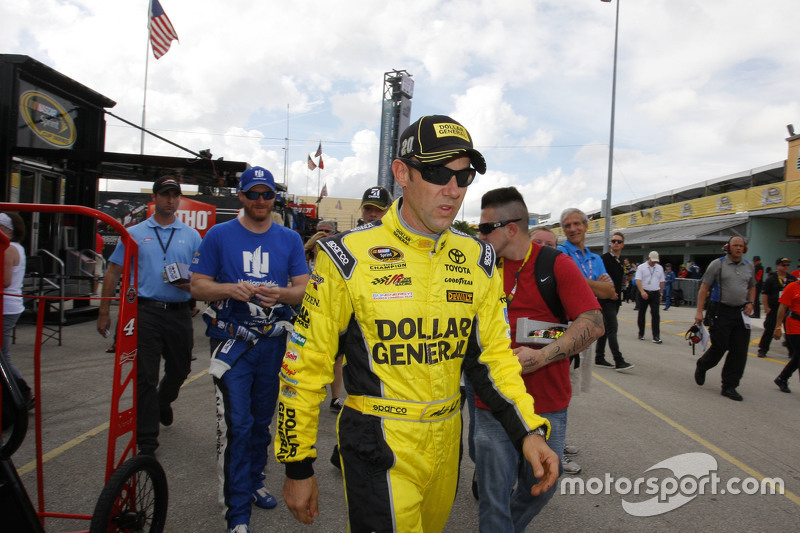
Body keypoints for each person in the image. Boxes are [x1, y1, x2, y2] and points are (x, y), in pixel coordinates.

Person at [275, 115, 558, 531]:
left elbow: (493, 360)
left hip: (446, 440)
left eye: (463, 177)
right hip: (377, 438)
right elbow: (306, 363)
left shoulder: (479, 260)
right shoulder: (345, 256)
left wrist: (528, 431)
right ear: (402, 173)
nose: (453, 189)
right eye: (438, 172)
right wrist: (297, 464)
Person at [475, 187, 603, 532]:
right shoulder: (478, 269)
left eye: (486, 228)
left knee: (541, 486)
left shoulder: (554, 264)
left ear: (510, 228)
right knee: (493, 494)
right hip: (493, 402)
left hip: (546, 403)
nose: (480, 235)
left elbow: (593, 322)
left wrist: (541, 356)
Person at [189, 166, 309, 533]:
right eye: (253, 194)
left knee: (261, 422)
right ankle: (237, 512)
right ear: (241, 196)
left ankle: (255, 479)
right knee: (237, 425)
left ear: (275, 198)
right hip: (232, 344)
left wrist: (281, 294)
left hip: (273, 344)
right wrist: (229, 289)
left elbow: (304, 290)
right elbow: (197, 286)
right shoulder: (218, 235)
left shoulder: (288, 238)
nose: (260, 201)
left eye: (266, 194)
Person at [97, 176, 201, 456]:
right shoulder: (133, 232)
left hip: (179, 311)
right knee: (145, 376)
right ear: (154, 197)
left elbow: (203, 274)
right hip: (145, 311)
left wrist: (192, 285)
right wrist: (104, 311)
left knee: (180, 369)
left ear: (179, 198)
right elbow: (113, 272)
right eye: (165, 194)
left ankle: (163, 401)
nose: (170, 199)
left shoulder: (191, 235)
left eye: (175, 195)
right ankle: (146, 441)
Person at [693, 236, 756, 401]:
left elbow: (752, 287)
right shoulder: (718, 264)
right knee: (720, 346)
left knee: (739, 351)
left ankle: (729, 386)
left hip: (740, 313)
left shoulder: (749, 266)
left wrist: (751, 302)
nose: (738, 248)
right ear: (728, 247)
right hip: (720, 310)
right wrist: (699, 311)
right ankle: (703, 365)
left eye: (741, 246)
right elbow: (704, 288)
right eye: (735, 245)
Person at [1, 212, 33, 409]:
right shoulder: (17, 248)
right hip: (11, 305)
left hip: (6, 306)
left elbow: (4, 281)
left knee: (3, 356)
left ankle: (22, 391)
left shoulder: (8, 249)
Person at [596, 232, 634, 368]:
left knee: (605, 329)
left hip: (616, 300)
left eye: (618, 241)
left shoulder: (620, 261)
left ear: (623, 244)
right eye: (613, 241)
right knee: (612, 328)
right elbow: (599, 278)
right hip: (606, 299)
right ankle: (619, 360)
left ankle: (599, 357)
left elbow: (626, 277)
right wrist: (609, 292)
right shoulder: (604, 259)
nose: (615, 243)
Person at [759, 258, 796, 357]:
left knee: (789, 331)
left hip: (788, 310)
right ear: (777, 266)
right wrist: (766, 308)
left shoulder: (792, 279)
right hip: (774, 308)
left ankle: (792, 351)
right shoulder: (771, 279)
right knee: (769, 329)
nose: (786, 267)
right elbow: (765, 294)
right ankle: (763, 349)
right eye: (783, 265)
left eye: (787, 265)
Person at [772, 277, 800, 393]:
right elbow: (782, 307)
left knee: (798, 356)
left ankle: (782, 378)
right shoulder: (792, 287)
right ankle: (782, 378)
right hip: (794, 325)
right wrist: (778, 327)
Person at [635, 251, 665, 344]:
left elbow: (662, 281)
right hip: (644, 292)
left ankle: (656, 336)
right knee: (642, 313)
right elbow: (638, 280)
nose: (654, 263)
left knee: (656, 314)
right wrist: (642, 291)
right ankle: (641, 333)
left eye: (655, 261)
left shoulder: (659, 268)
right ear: (648, 258)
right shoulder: (641, 267)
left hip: (655, 293)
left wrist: (661, 293)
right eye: (652, 261)